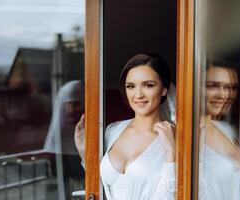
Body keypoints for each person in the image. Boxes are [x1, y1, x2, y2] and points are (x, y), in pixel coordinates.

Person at [75, 53, 176, 200]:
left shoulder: (173, 137)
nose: (138, 94)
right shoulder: (113, 130)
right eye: (131, 86)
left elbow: (174, 195)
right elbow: (101, 188)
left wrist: (171, 152)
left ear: (164, 89)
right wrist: (85, 155)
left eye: (148, 85)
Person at [198, 63, 240, 200]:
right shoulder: (180, 134)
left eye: (229, 87)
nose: (223, 94)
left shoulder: (225, 128)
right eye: (212, 86)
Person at [44, 80, 85, 199]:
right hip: (67, 147)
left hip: (66, 146)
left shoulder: (74, 86)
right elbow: (71, 114)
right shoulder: (74, 87)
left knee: (68, 187)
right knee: (73, 187)